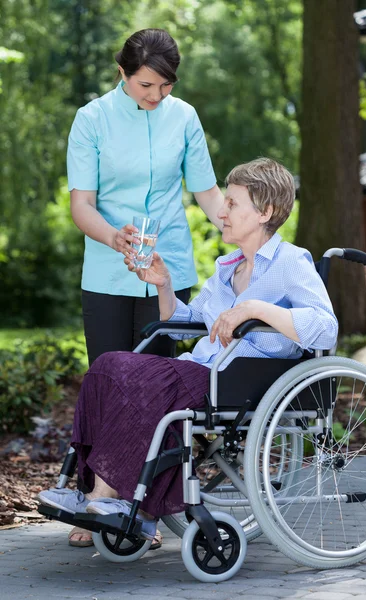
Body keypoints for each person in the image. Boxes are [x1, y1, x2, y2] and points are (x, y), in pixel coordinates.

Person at [38, 157, 338, 537]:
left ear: (266, 212)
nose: (222, 212)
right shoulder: (227, 267)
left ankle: (120, 499)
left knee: (128, 370)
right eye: (224, 202)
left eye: (232, 203)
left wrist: (255, 308)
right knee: (107, 367)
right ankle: (94, 494)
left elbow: (326, 329)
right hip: (204, 371)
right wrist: (164, 284)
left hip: (240, 380)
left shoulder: (291, 261)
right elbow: (185, 326)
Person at [67, 28, 223, 546]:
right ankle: (96, 503)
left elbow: (205, 192)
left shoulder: (184, 117)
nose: (155, 96)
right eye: (146, 85)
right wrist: (115, 236)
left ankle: (144, 512)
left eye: (164, 86)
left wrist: (251, 230)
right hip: (109, 270)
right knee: (109, 385)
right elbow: (81, 204)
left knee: (159, 392)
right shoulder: (92, 119)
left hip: (168, 269)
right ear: (123, 74)